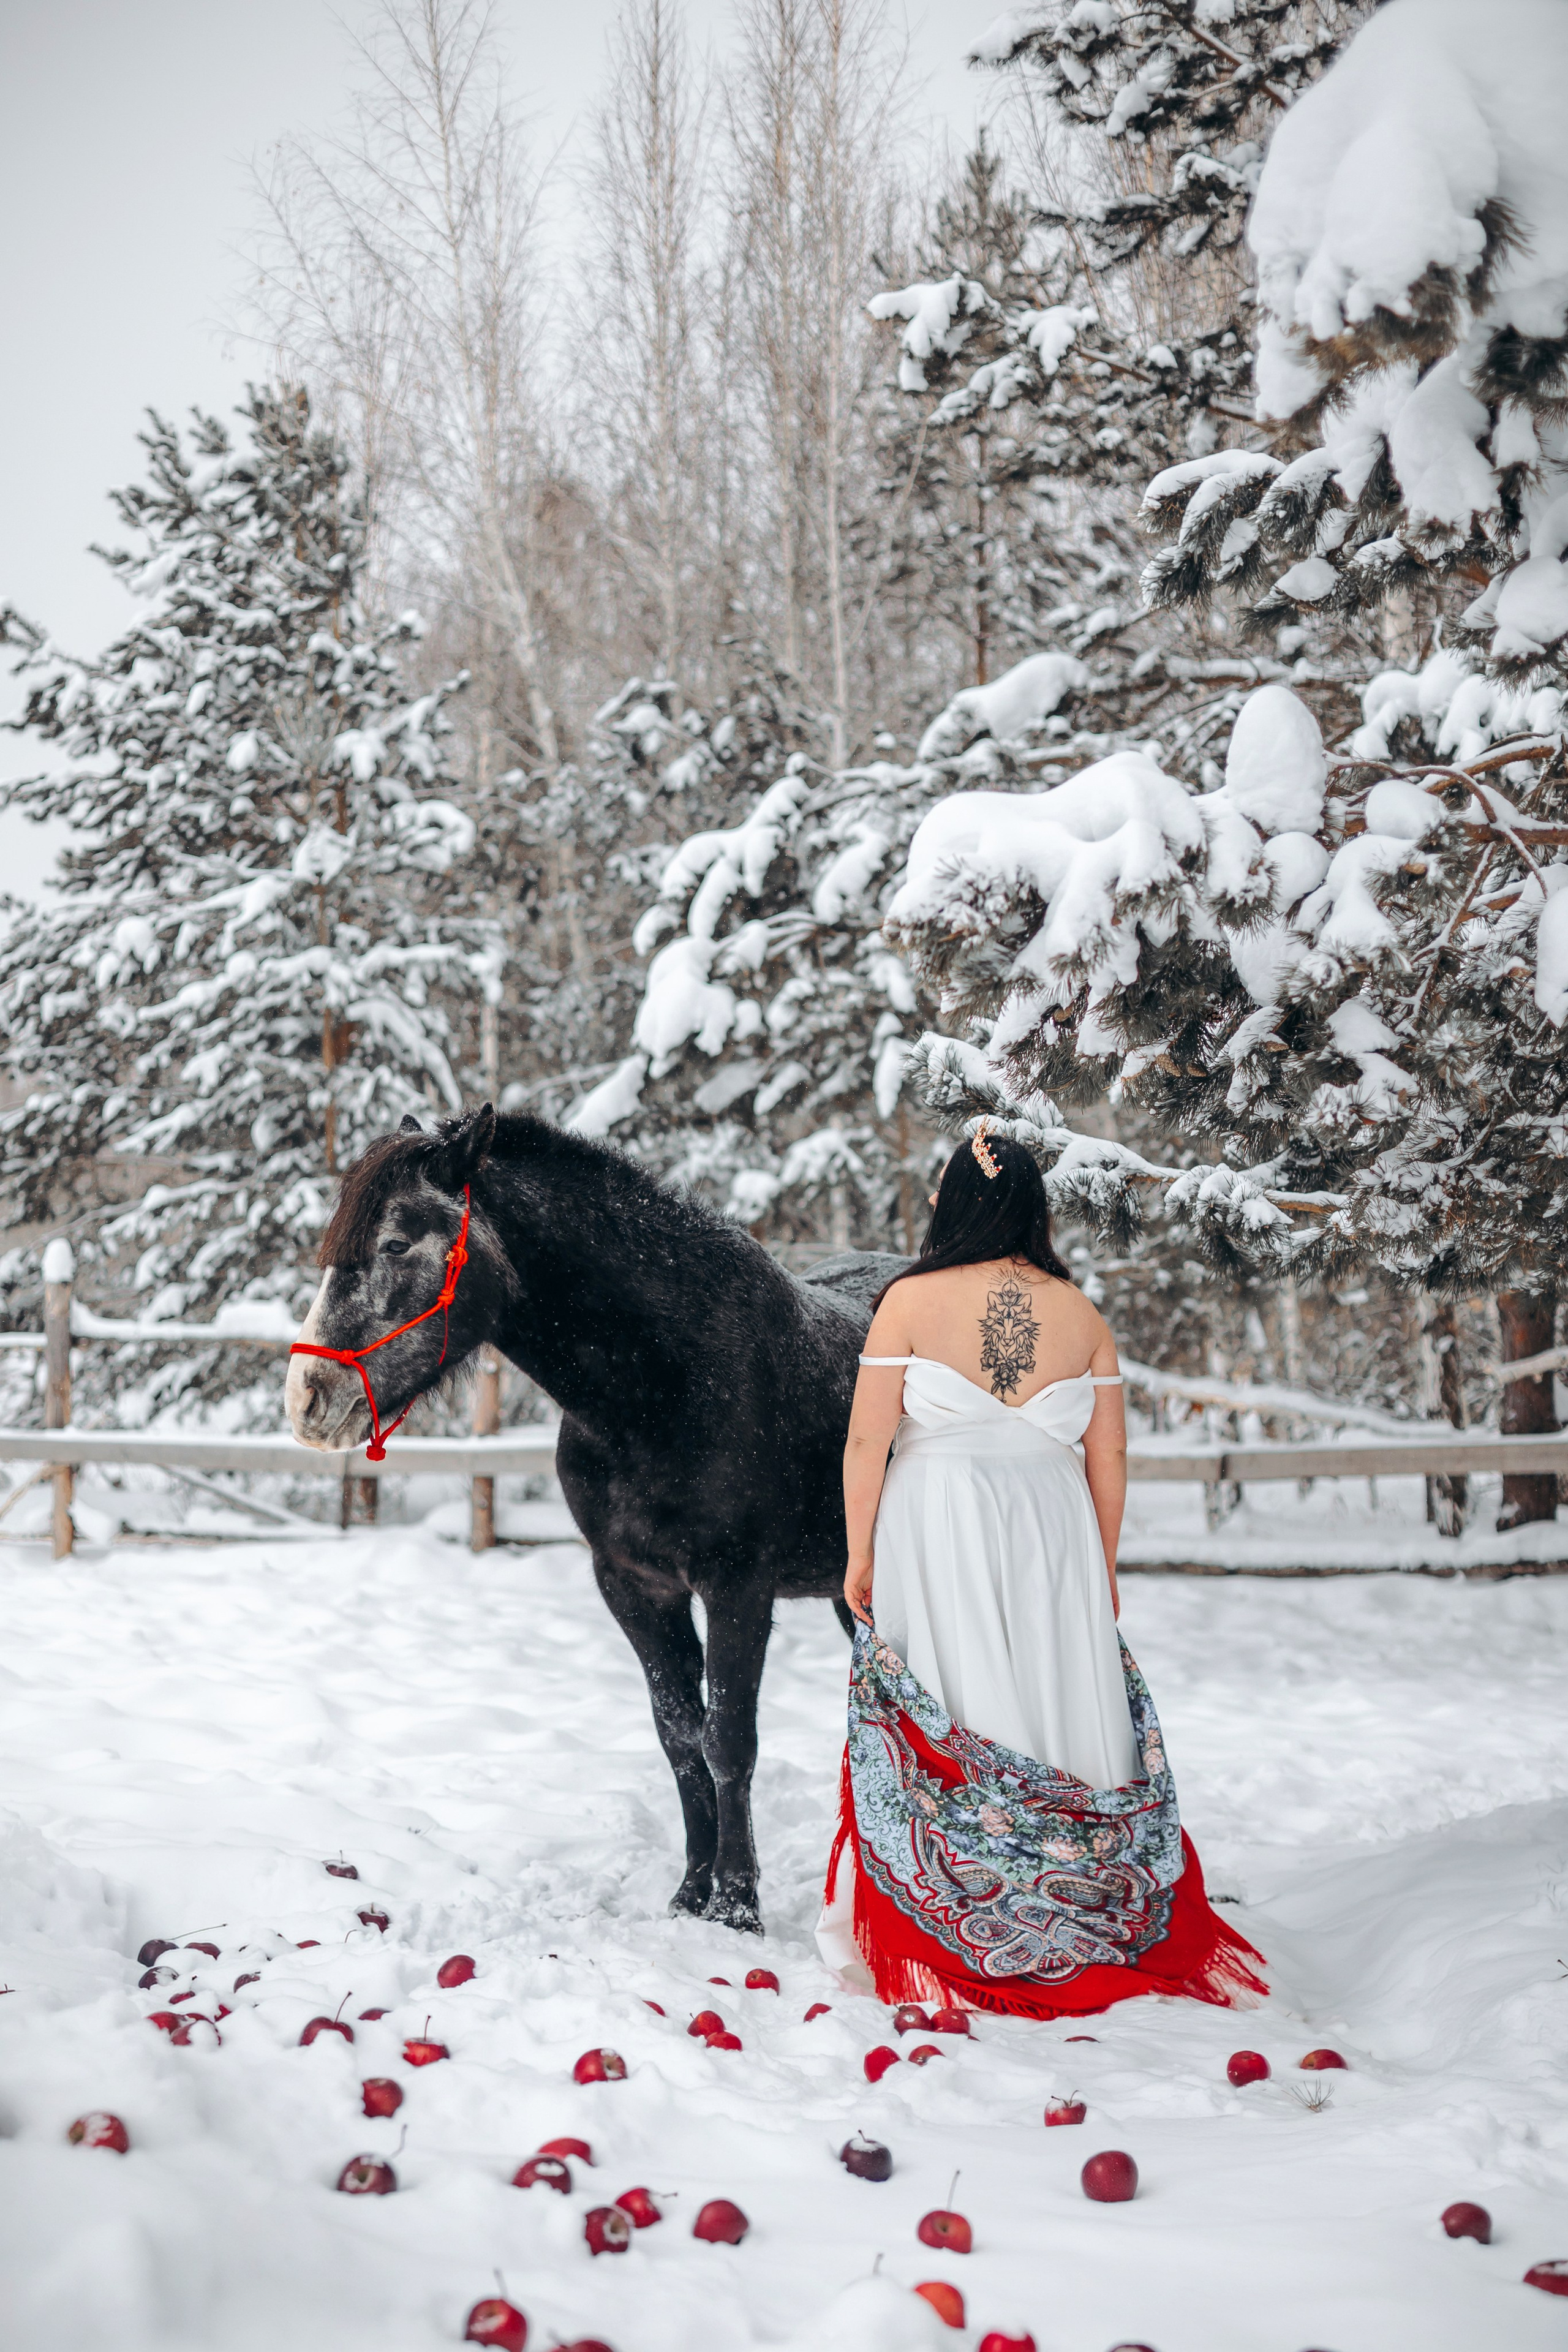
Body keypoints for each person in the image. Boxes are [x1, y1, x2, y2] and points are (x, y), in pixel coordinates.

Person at [816, 1121, 1265, 2020]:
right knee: (1062, 1690)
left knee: (955, 1687)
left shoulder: (909, 1301)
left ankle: (961, 1907)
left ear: (960, 1204)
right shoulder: (1081, 1313)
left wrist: (860, 1550)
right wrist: (1097, 1565)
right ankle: (1085, 1898)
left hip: (940, 1514)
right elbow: (1112, 1459)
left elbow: (868, 1439)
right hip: (1053, 1518)